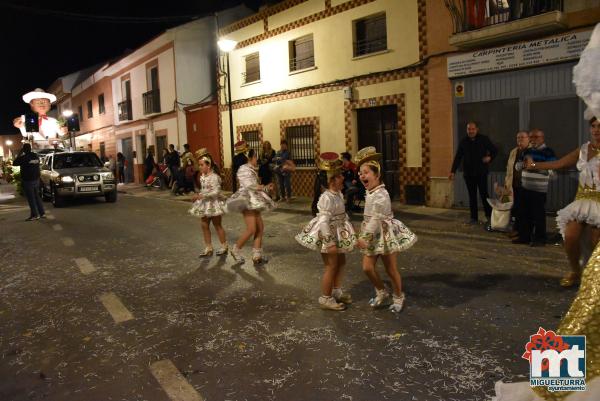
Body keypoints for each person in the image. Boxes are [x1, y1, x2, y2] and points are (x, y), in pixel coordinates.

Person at [523, 118, 600, 287]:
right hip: (582, 201)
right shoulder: (584, 149)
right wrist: (534, 164)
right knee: (571, 237)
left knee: (596, 241)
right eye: (593, 126)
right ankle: (576, 271)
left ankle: (594, 279)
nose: (596, 129)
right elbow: (558, 163)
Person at [355, 147, 417, 313]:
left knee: (390, 269)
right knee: (367, 268)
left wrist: (364, 237)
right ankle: (382, 291)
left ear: (377, 174)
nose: (362, 176)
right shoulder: (370, 191)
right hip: (371, 233)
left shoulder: (381, 194)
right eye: (360, 173)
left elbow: (376, 218)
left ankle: (398, 296)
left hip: (384, 234)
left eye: (366, 172)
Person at [295, 152, 356, 311]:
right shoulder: (326, 197)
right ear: (332, 180)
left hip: (338, 233)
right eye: (340, 176)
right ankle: (325, 298)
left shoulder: (337, 194)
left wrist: (349, 226)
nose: (343, 178)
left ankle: (336, 291)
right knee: (331, 266)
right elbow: (323, 221)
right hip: (329, 235)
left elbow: (341, 214)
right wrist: (329, 243)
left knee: (341, 262)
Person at [226, 142, 275, 265]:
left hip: (253, 199)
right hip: (246, 199)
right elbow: (249, 185)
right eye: (255, 157)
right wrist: (263, 187)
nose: (257, 159)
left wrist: (265, 188)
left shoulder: (249, 168)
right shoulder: (243, 169)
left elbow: (254, 185)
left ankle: (256, 255)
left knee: (260, 227)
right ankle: (236, 249)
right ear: (250, 158)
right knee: (252, 228)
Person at [449, 121, 497, 228]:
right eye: (469, 129)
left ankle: (489, 217)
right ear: (467, 130)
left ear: (477, 129)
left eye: (472, 129)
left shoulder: (484, 139)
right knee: (472, 196)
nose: (470, 131)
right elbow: (458, 157)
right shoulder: (463, 141)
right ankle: (474, 218)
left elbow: (495, 150)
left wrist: (490, 158)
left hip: (481, 173)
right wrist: (452, 171)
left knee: (484, 195)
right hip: (468, 174)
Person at [513, 129, 556, 247]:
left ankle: (540, 239)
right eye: (531, 137)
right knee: (523, 214)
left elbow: (552, 173)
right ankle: (524, 237)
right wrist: (524, 165)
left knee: (538, 216)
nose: (533, 139)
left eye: (536, 137)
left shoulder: (548, 152)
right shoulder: (526, 151)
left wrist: (534, 167)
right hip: (525, 188)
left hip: (539, 190)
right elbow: (517, 166)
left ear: (542, 138)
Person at [189, 149, 228, 257]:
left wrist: (201, 196)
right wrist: (198, 196)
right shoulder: (203, 177)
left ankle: (224, 246)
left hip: (214, 204)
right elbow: (204, 190)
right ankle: (209, 247)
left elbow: (216, 192)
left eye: (202, 165)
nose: (200, 167)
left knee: (217, 225)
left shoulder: (214, 177)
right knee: (204, 225)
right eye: (199, 165)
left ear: (208, 165)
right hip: (204, 204)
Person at [504, 131, 530, 238]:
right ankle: (517, 230)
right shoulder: (514, 152)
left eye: (522, 137)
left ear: (528, 139)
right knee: (517, 208)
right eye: (518, 137)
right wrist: (507, 184)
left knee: (526, 209)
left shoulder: (532, 151)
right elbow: (509, 170)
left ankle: (525, 232)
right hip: (515, 185)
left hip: (527, 185)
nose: (520, 140)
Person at [12, 143, 45, 221]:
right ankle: (42, 213)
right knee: (37, 197)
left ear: (24, 149)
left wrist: (20, 153)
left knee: (31, 198)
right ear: (30, 148)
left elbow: (14, 163)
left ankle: (35, 215)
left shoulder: (23, 158)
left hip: (28, 180)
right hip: (36, 179)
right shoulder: (35, 156)